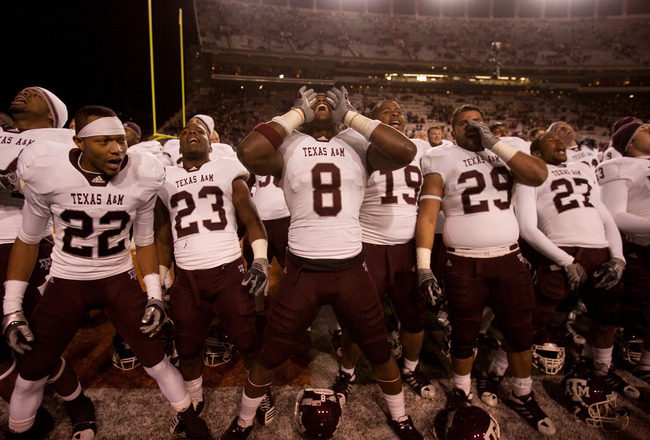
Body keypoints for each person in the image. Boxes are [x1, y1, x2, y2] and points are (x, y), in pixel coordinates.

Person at [220, 86, 423, 440]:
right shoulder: (287, 145)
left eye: (328, 100)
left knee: (377, 349)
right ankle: (243, 421)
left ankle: (401, 417)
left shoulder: (357, 143)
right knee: (270, 354)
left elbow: (406, 150)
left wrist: (353, 117)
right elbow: (248, 151)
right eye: (313, 101)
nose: (321, 103)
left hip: (351, 270)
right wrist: (296, 114)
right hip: (302, 272)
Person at [1, 106, 210, 439]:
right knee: (31, 374)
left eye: (120, 140)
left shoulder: (143, 174)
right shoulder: (46, 169)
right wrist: (12, 308)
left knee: (156, 360)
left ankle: (190, 419)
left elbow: (143, 243)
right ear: (79, 142)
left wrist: (154, 295)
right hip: (67, 280)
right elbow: (27, 241)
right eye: (104, 141)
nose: (117, 149)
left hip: (118, 279)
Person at [415, 104, 555, 435]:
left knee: (521, 331)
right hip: (464, 260)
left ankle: (523, 393)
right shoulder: (440, 158)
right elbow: (428, 215)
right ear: (452, 132)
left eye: (477, 122)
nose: (472, 127)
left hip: (509, 257)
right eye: (463, 124)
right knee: (464, 332)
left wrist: (495, 143)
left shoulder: (507, 150)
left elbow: (538, 174)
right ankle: (462, 393)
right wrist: (423, 266)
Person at [479, 132, 638, 408]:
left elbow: (604, 215)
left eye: (560, 139)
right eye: (550, 140)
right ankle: (496, 372)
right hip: (560, 251)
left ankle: (601, 367)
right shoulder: (532, 175)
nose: (559, 142)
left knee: (607, 317)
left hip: (600, 250)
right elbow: (527, 227)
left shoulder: (584, 169)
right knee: (530, 323)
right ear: (536, 152)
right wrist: (565, 260)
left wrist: (618, 257)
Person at [154, 118, 272, 436]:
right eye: (185, 131)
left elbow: (251, 216)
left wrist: (259, 260)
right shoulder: (165, 178)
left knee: (248, 343)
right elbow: (163, 236)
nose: (191, 133)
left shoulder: (226, 168)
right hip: (187, 278)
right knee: (187, 347)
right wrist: (162, 281)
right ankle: (194, 401)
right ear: (178, 144)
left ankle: (261, 394)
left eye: (199, 132)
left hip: (228, 272)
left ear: (212, 142)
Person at [1, 86, 97, 439]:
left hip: (21, 240)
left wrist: (17, 180)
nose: (22, 94)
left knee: (35, 339)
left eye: (34, 93)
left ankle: (75, 403)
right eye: (22, 91)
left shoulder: (60, 142)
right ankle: (31, 413)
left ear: (51, 116)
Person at [331, 99, 436, 407]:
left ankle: (411, 369)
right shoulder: (355, 142)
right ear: (371, 120)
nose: (397, 114)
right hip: (368, 246)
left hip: (407, 247)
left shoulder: (422, 149)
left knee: (415, 316)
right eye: (387, 111)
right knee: (357, 319)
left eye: (400, 111)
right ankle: (347, 372)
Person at [596, 120, 650, 384]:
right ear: (629, 142)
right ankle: (597, 362)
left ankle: (646, 362)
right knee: (618, 312)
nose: (649, 130)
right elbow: (613, 215)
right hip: (637, 246)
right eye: (643, 130)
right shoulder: (619, 166)